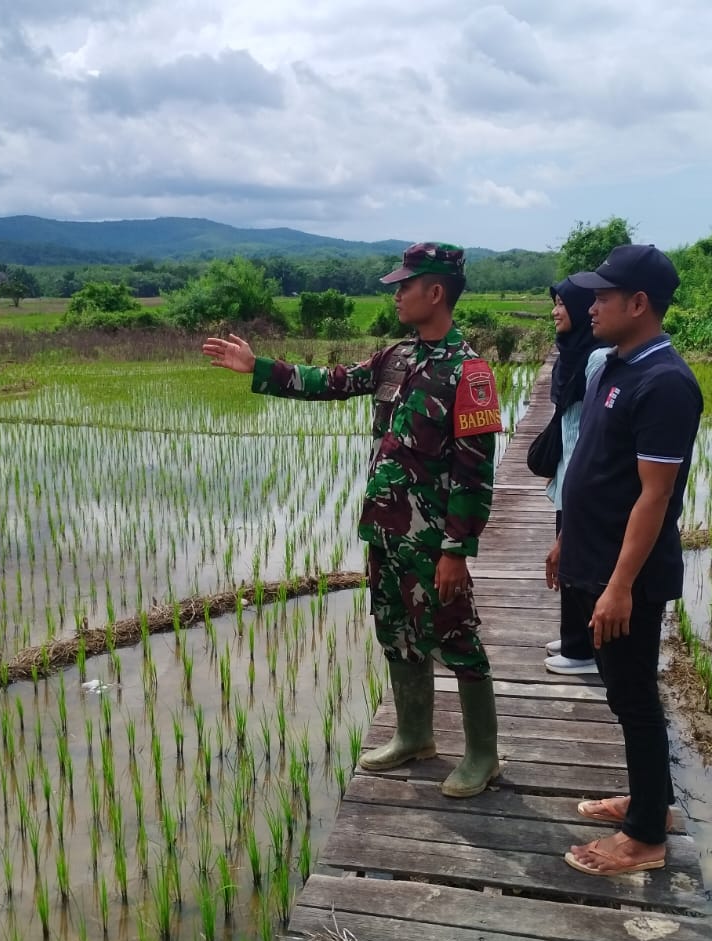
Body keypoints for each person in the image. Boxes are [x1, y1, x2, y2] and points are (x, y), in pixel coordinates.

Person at [202, 242, 504, 798]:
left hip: (432, 541)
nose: (396, 295)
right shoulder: (395, 357)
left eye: (405, 286)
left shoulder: (470, 373)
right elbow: (333, 381)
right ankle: (414, 736)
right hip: (384, 531)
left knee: (456, 637)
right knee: (395, 631)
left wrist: (457, 550)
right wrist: (259, 367)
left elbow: (474, 472)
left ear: (435, 292)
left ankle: (483, 756)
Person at [543, 244, 703, 876]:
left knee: (634, 697)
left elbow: (654, 496)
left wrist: (619, 586)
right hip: (595, 558)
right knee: (623, 692)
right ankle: (649, 801)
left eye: (604, 296)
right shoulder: (614, 366)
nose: (592, 306)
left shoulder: (665, 383)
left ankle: (645, 839)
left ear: (639, 304)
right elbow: (595, 465)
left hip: (625, 576)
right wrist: (567, 539)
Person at [542, 278, 607, 676]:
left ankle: (583, 649)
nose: (555, 311)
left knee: (576, 561)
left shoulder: (596, 358)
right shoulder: (573, 352)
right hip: (570, 474)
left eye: (562, 304)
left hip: (584, 477)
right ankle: (576, 638)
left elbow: (592, 427)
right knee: (570, 561)